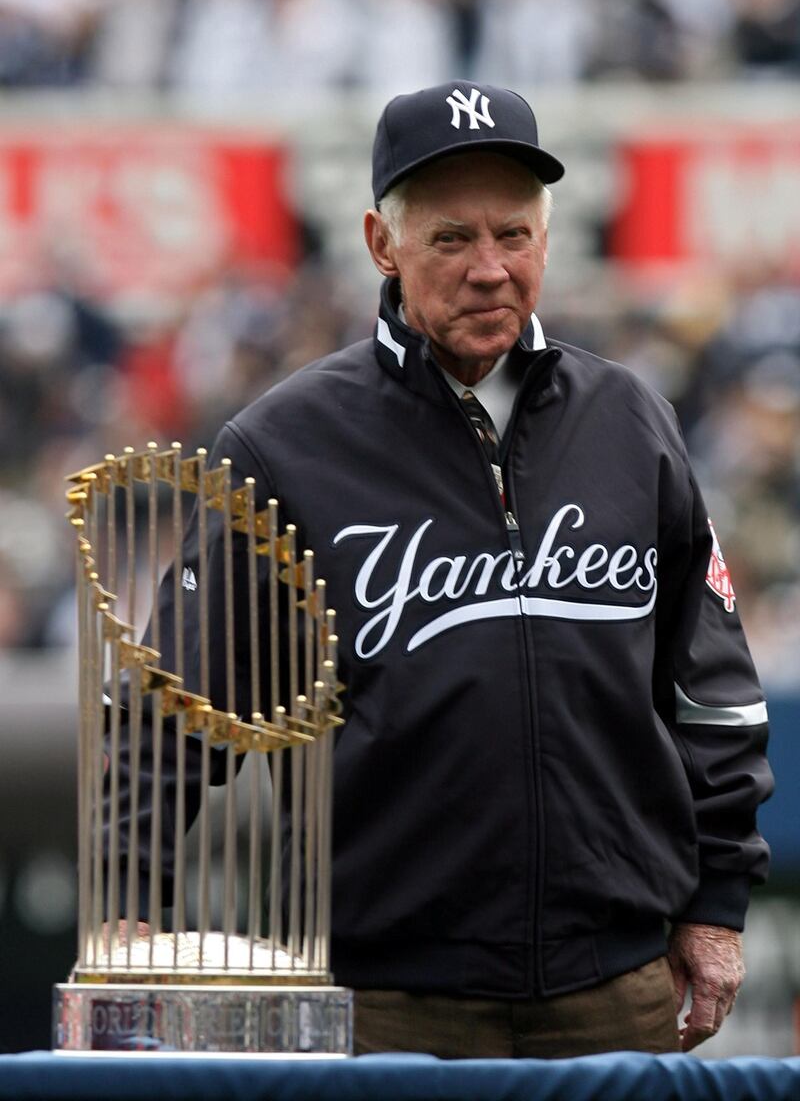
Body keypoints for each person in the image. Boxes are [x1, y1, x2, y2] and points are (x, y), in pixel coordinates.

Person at [113, 81, 773, 1058]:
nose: (488, 270)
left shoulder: (629, 420)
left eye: (512, 235)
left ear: (547, 240)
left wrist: (714, 903)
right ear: (382, 244)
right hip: (386, 997)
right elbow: (177, 703)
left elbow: (708, 686)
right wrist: (131, 899)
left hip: (614, 983)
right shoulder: (285, 445)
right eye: (450, 239)